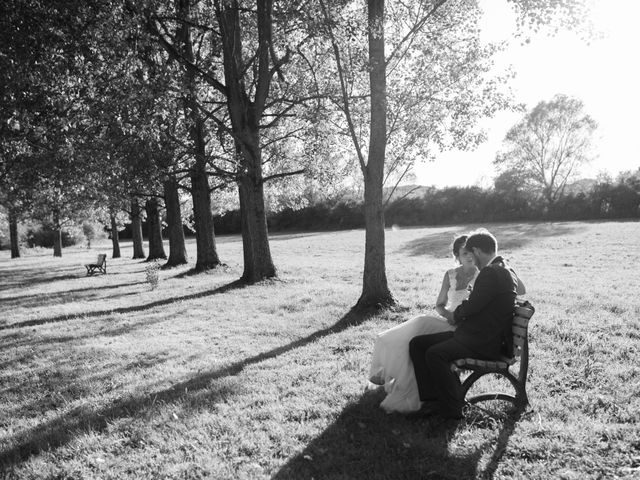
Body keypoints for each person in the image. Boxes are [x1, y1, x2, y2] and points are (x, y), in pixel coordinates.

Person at [409, 229, 523, 420]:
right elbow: (480, 304)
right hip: (479, 335)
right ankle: (433, 401)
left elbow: (471, 307)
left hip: (482, 342)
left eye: (471, 253)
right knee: (417, 344)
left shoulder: (491, 272)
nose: (471, 258)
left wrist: (455, 316)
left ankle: (451, 410)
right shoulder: (505, 269)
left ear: (477, 251)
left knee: (434, 354)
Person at [368, 235, 478, 413]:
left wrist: (458, 318)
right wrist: (448, 315)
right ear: (457, 255)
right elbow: (439, 305)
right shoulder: (451, 275)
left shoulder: (482, 274)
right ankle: (397, 377)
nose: (469, 256)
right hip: (447, 320)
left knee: (419, 328)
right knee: (414, 331)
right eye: (464, 253)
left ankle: (420, 390)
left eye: (471, 252)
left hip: (463, 326)